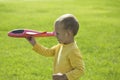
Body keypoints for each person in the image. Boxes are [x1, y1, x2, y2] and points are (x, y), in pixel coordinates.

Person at [26, 14, 84, 80]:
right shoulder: (60, 46)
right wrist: (34, 43)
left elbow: (80, 70)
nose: (55, 35)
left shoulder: (73, 50)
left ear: (68, 33)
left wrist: (64, 77)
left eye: (57, 33)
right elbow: (47, 52)